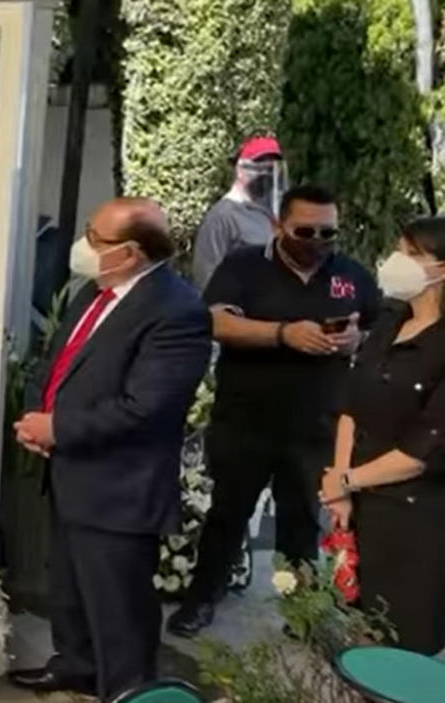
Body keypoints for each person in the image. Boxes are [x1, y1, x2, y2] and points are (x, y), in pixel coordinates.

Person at [8, 198, 212, 700]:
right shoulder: (94, 291)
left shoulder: (177, 310)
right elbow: (55, 361)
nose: (83, 245)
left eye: (96, 238)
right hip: (69, 471)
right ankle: (75, 667)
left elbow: (147, 408)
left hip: (119, 486)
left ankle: (127, 691)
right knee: (70, 590)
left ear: (131, 253)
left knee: (119, 609)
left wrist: (60, 428)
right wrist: (36, 420)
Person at [168, 185, 381, 638]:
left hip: (315, 423)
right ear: (279, 225)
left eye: (328, 232)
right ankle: (202, 598)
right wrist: (283, 334)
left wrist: (356, 340)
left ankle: (300, 612)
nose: (317, 241)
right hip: (247, 418)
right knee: (228, 514)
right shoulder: (245, 265)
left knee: (301, 522)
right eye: (306, 231)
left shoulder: (351, 275)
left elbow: (376, 329)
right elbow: (216, 321)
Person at [320, 217, 445, 655]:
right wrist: (340, 484)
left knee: (404, 640)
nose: (395, 261)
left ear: (441, 269)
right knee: (360, 629)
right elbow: (351, 405)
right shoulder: (390, 319)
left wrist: (346, 481)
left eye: (411, 254)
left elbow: (420, 451)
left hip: (415, 516)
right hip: (360, 503)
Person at [192, 135, 287, 290]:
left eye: (271, 167)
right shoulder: (222, 217)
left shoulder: (269, 214)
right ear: (240, 169)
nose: (266, 173)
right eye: (260, 164)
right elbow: (207, 277)